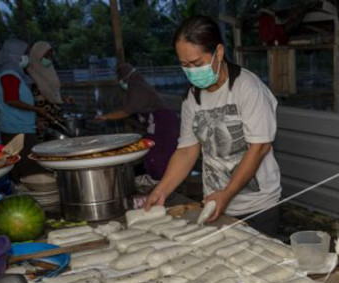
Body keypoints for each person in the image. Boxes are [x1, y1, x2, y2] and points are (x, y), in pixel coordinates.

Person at [145, 15, 282, 236]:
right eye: (184, 65)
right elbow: (187, 150)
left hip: (257, 208)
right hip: (213, 205)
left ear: (218, 52)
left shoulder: (247, 88)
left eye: (197, 64)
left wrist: (227, 193)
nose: (191, 71)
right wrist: (161, 190)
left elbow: (260, 147)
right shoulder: (193, 96)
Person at [96, 63, 179, 181]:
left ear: (124, 77)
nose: (119, 81)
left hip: (162, 122)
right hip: (159, 122)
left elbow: (126, 112)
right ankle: (157, 179)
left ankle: (160, 181)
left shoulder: (137, 87)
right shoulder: (135, 86)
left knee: (156, 153)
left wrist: (104, 117)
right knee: (155, 152)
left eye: (119, 78)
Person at [0, 38, 46, 179]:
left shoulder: (15, 74)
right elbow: (11, 100)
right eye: (25, 53)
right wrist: (37, 110)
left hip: (21, 127)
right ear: (14, 54)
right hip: (16, 130)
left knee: (23, 167)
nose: (26, 57)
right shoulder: (9, 74)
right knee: (29, 170)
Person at [26, 41, 68, 141]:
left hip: (55, 116)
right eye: (45, 56)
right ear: (37, 55)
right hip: (41, 118)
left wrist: (64, 98)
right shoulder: (29, 75)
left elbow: (53, 93)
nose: (48, 59)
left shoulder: (49, 71)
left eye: (50, 56)